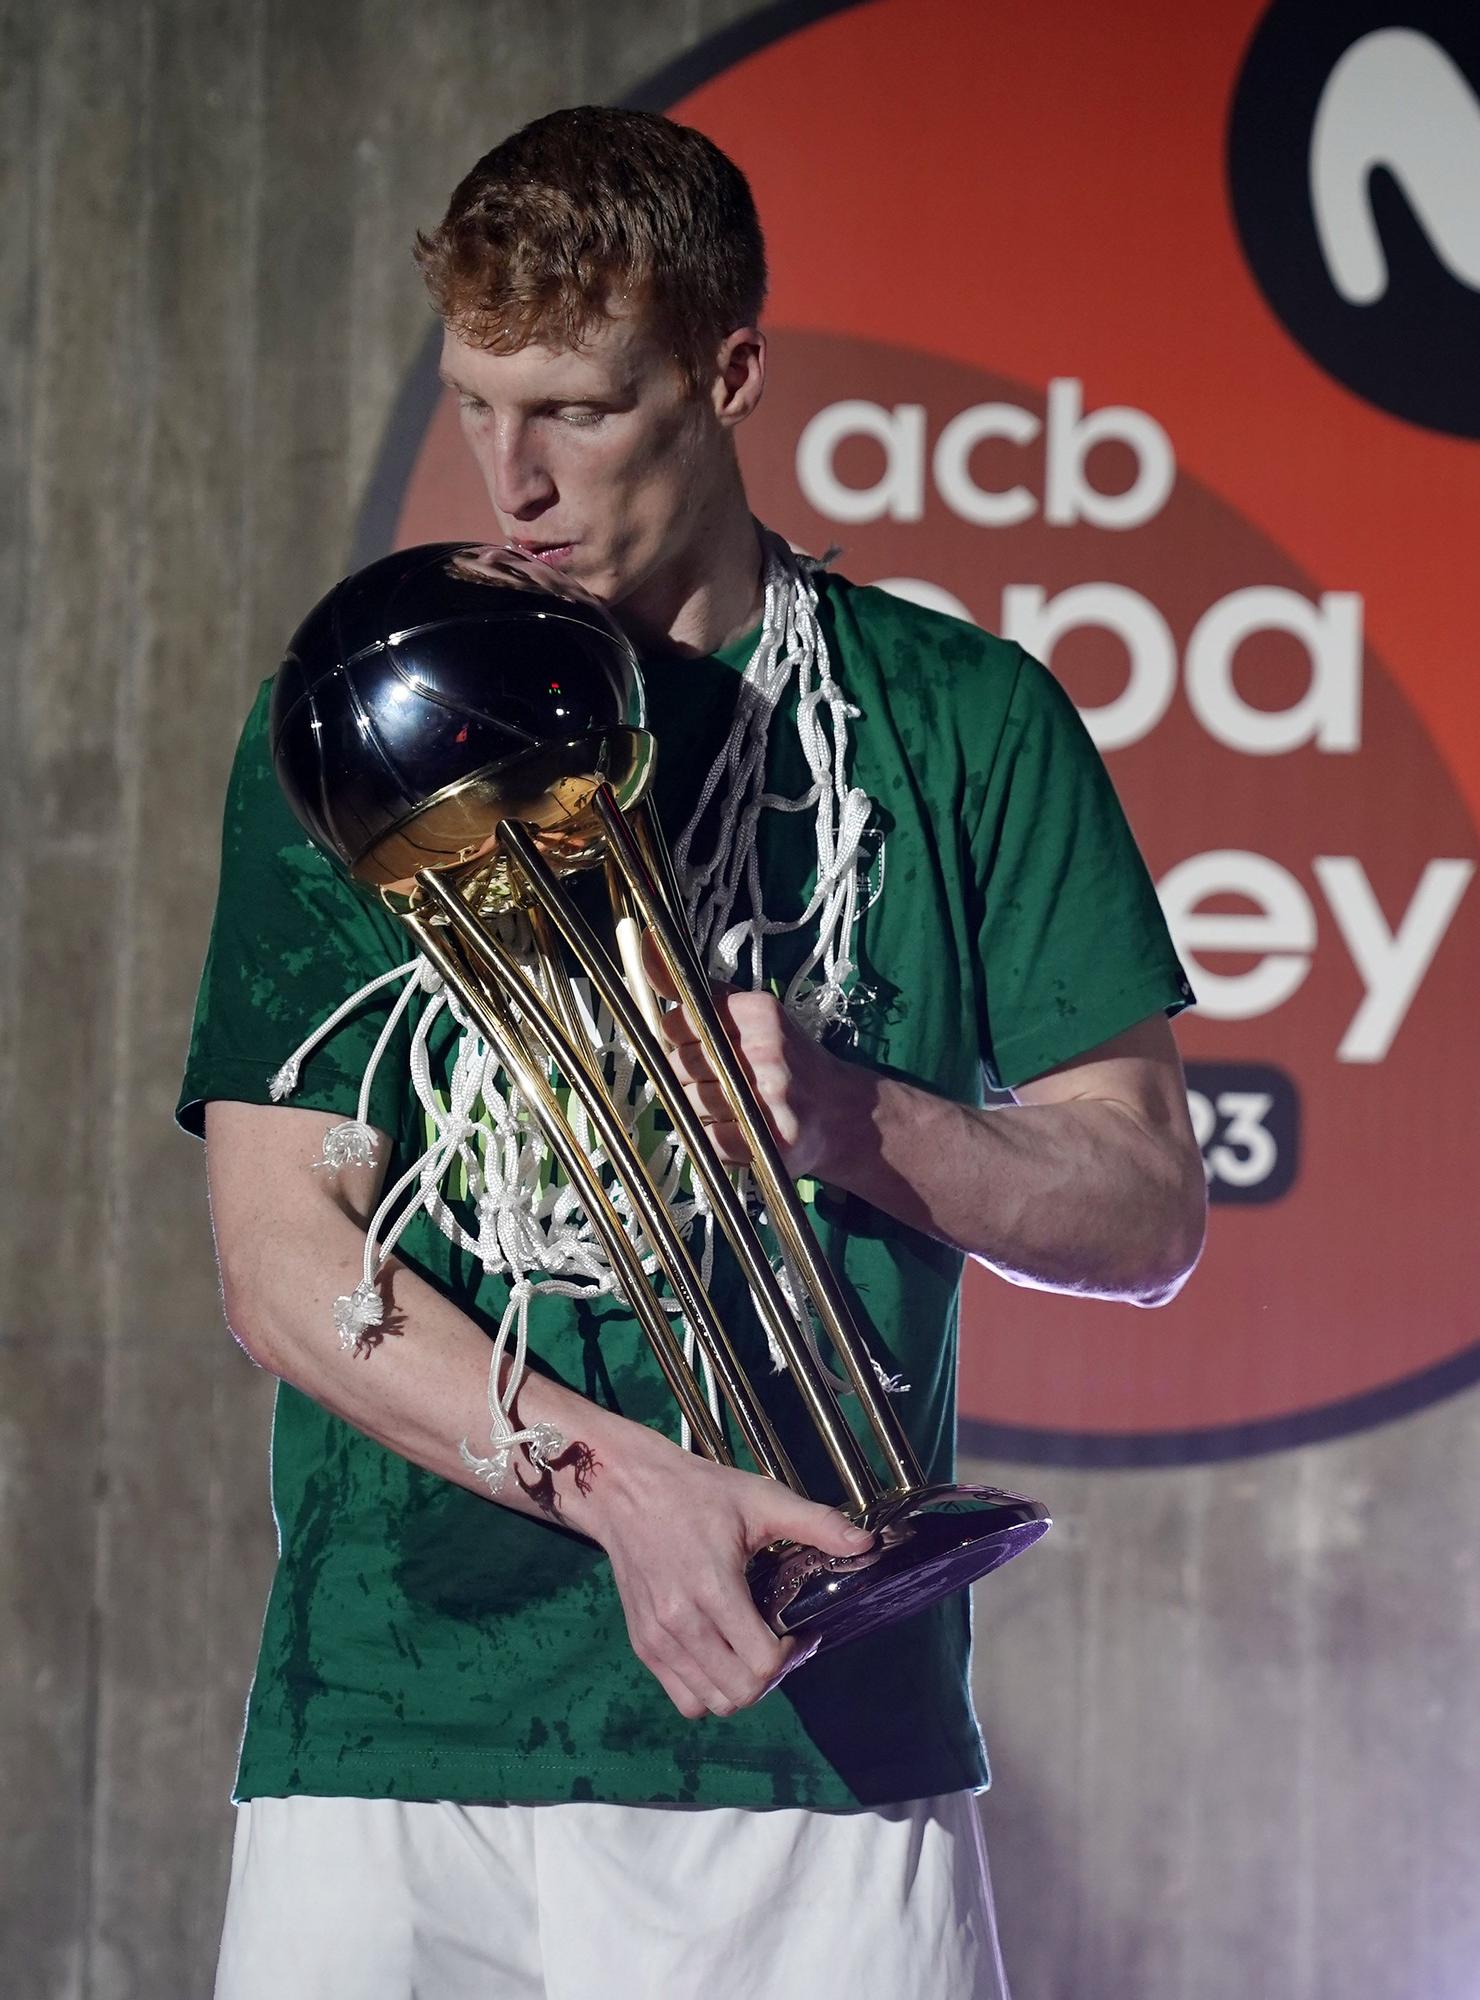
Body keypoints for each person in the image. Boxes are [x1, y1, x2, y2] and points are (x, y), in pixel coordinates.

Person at [180, 105, 1204, 1999]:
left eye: (578, 407)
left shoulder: (959, 719)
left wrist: (851, 1115)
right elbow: (278, 1262)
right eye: (481, 404)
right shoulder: (358, 715)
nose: (515, 478)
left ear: (729, 370)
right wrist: (630, 1490)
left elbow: (1146, 1208)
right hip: (400, 1732)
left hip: (823, 1754)